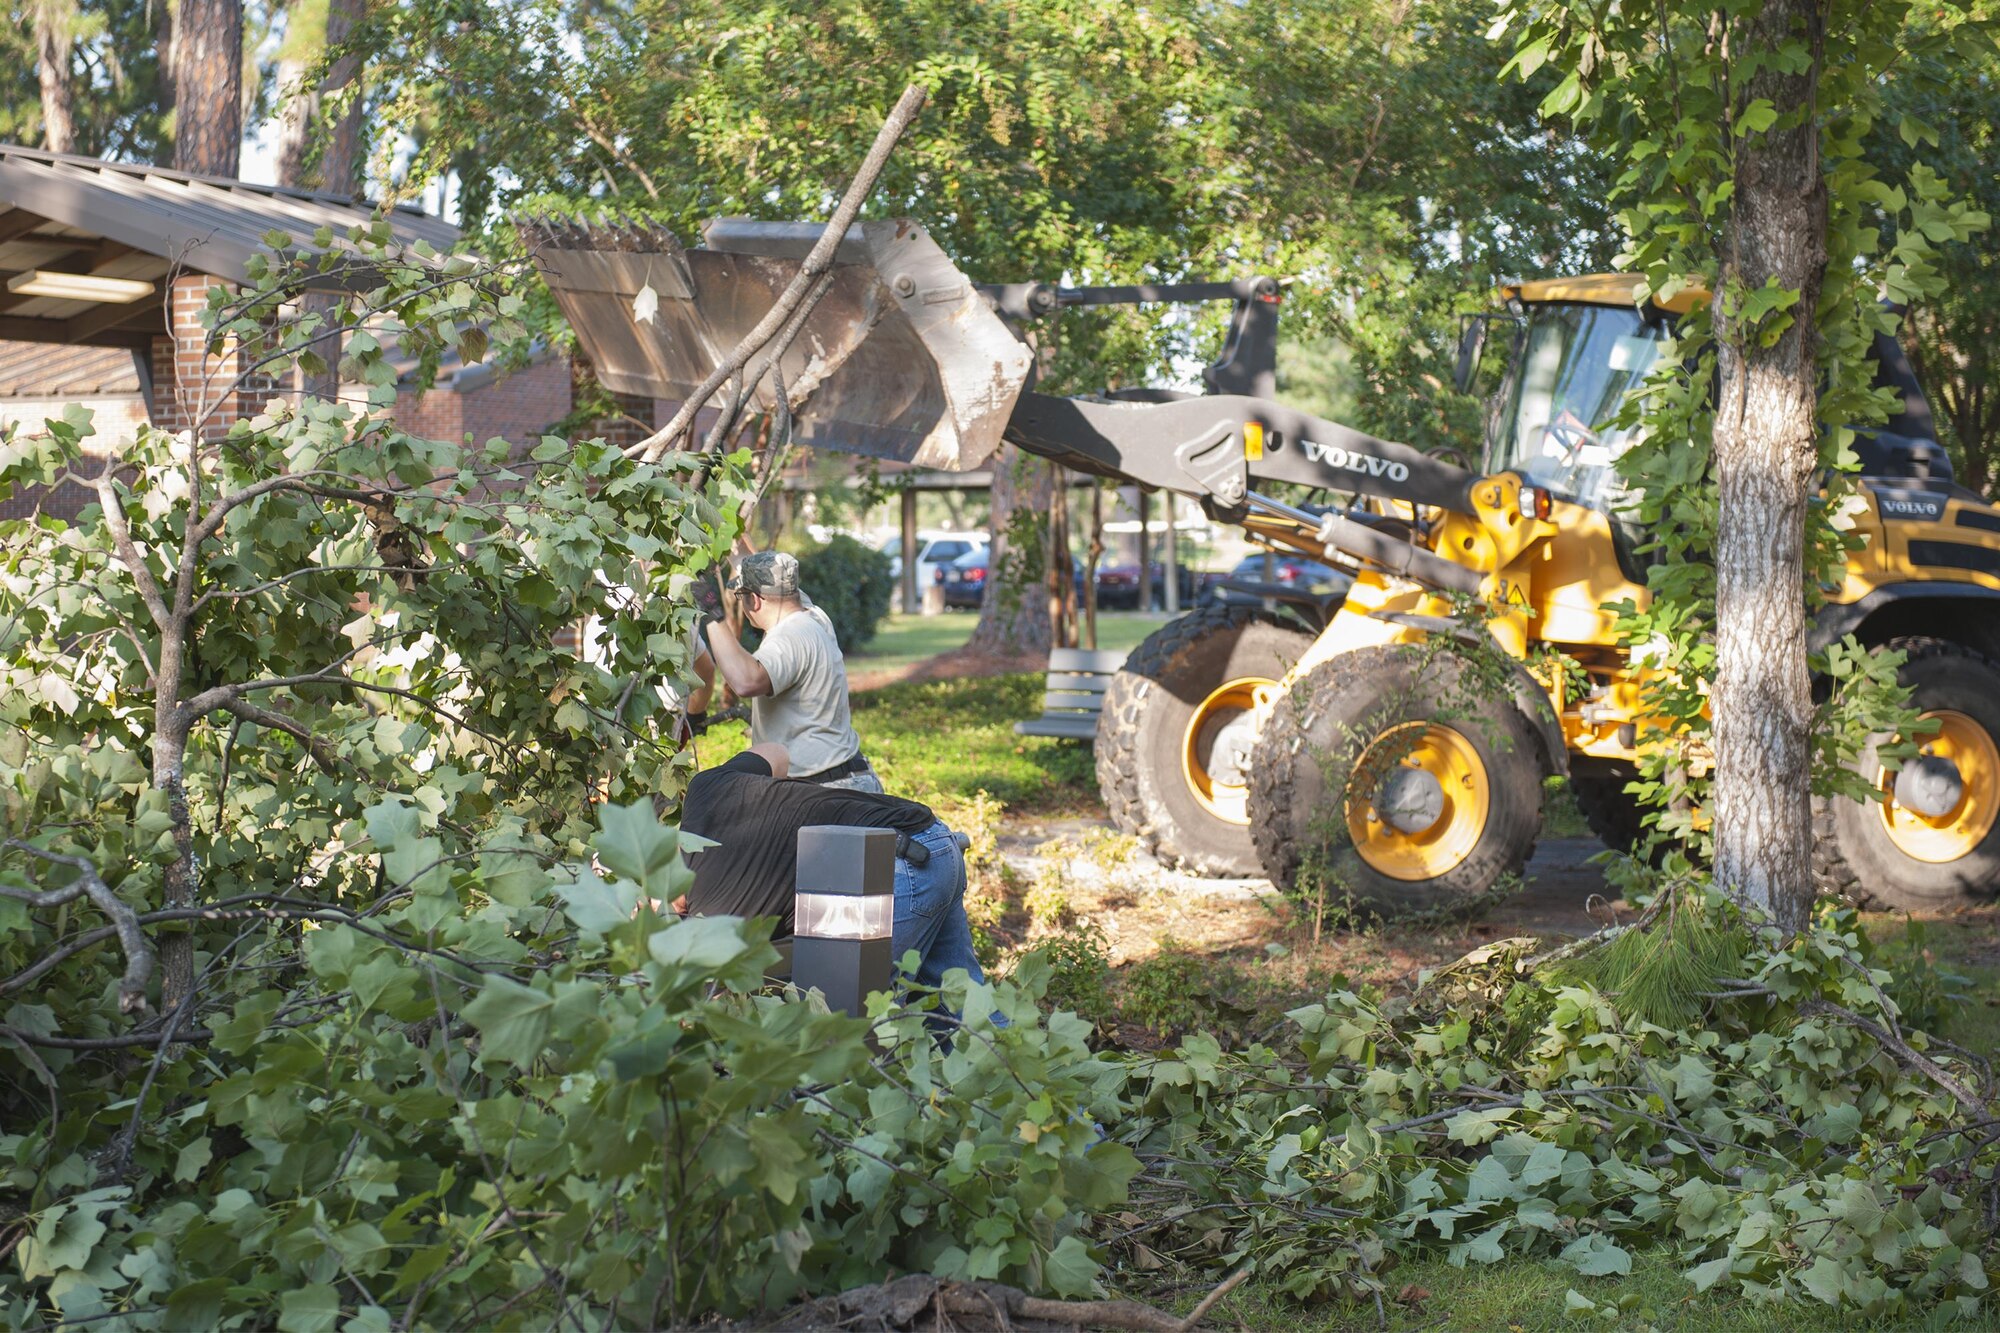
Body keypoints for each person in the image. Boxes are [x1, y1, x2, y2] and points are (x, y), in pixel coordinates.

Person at [676, 742, 985, 995]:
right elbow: (776, 752)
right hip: (933, 838)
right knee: (964, 1012)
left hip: (895, 869)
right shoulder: (703, 791)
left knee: (846, 1016)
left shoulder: (712, 915)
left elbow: (718, 994)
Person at [702, 550, 882, 793]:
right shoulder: (812, 615)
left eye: (741, 596)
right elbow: (773, 573)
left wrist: (711, 612)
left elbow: (746, 682)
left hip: (828, 791)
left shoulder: (790, 637)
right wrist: (733, 546)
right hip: (847, 778)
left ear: (754, 600)